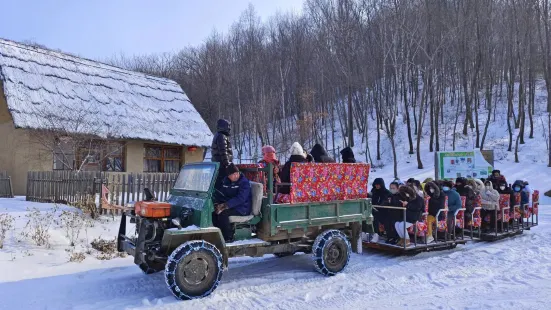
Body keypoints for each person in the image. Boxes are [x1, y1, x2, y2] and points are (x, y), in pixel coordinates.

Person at [212, 164, 251, 243]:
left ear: (237, 173)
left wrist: (226, 205)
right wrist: (217, 203)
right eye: (230, 175)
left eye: (233, 174)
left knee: (223, 213)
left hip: (242, 208)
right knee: (213, 212)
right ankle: (216, 235)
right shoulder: (226, 181)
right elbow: (222, 193)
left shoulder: (244, 183)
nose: (232, 176)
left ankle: (227, 238)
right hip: (231, 205)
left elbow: (241, 198)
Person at [211, 119, 234, 189]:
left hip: (219, 164)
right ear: (223, 126)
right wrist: (227, 164)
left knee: (219, 183)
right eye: (228, 126)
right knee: (222, 184)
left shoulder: (219, 135)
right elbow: (223, 152)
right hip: (222, 165)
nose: (229, 128)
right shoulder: (221, 136)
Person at [368, 178, 391, 243]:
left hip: (383, 211)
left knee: (375, 218)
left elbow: (386, 201)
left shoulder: (386, 192)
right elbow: (369, 197)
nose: (377, 186)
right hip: (373, 209)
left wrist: (380, 206)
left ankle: (377, 234)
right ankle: (369, 233)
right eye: (376, 185)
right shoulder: (373, 191)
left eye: (378, 185)